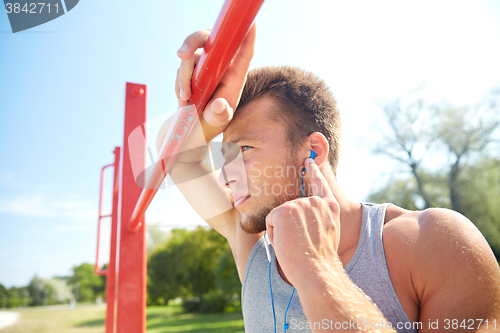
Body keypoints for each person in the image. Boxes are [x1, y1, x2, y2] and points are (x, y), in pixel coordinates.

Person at [158, 24, 500, 332]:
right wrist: (207, 105)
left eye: (245, 149)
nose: (226, 174)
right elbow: (172, 153)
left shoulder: (435, 242)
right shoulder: (253, 246)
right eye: (225, 154)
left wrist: (316, 269)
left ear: (313, 152)